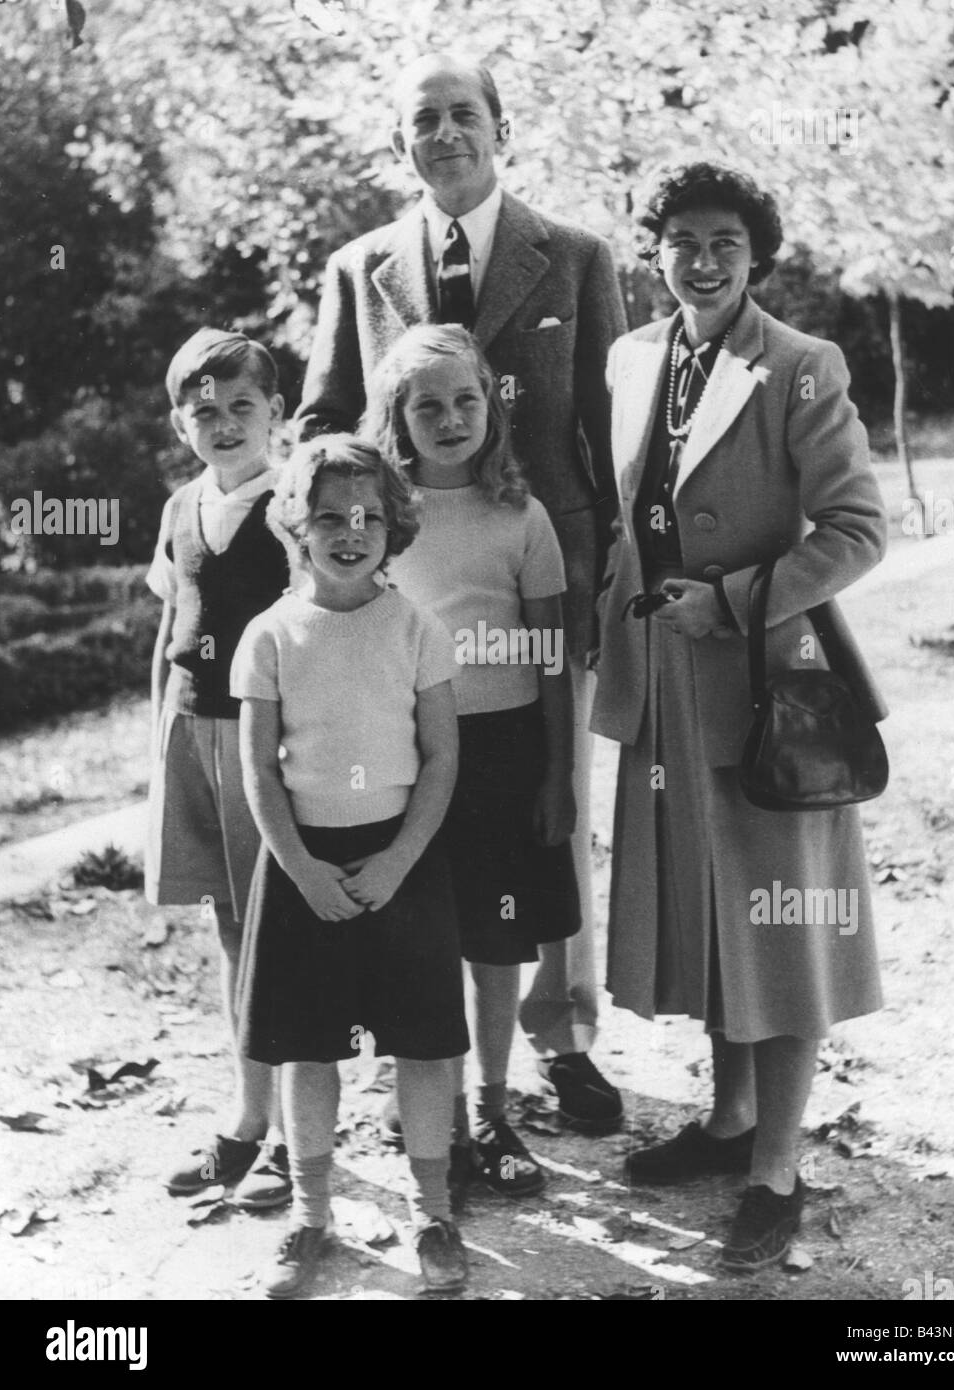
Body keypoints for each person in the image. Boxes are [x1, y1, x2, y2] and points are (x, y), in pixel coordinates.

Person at [296, 53, 626, 1129]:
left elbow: (610, 433)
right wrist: (332, 540)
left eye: (463, 114)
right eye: (423, 120)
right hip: (402, 606)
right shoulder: (358, 269)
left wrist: (615, 578)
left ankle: (561, 1036)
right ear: (402, 143)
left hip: (536, 585)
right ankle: (427, 1036)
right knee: (413, 810)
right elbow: (318, 420)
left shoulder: (573, 259)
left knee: (545, 810)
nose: (444, 133)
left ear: (499, 127)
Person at [592, 163, 887, 1271]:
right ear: (653, 250)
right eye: (680, 239)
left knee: (782, 924)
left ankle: (774, 1168)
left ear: (754, 254)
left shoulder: (800, 365)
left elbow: (855, 530)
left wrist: (727, 601)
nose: (701, 259)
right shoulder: (631, 358)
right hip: (663, 680)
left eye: (723, 241)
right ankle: (725, 1123)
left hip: (770, 686)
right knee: (711, 918)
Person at [231, 435, 470, 1297]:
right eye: (328, 516)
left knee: (422, 1043)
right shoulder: (269, 636)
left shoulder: (417, 628)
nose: (349, 531)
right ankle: (310, 1215)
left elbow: (441, 759)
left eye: (368, 515)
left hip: (401, 860)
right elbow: (258, 770)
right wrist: (300, 867)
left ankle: (434, 1213)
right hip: (305, 867)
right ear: (295, 526)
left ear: (395, 524)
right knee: (306, 1046)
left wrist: (401, 858)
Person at [365, 323, 581, 1198]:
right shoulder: (378, 520)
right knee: (425, 939)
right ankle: (436, 1113)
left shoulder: (520, 518)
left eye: (466, 400)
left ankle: (493, 1107)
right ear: (397, 417)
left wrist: (558, 776)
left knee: (497, 941)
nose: (450, 418)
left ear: (492, 405)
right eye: (427, 406)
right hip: (411, 757)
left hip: (505, 754)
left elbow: (556, 660)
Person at [146, 327, 291, 1212]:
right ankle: (248, 1117)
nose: (226, 423)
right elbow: (172, 631)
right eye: (206, 412)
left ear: (276, 412)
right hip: (193, 732)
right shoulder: (179, 508)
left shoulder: (296, 503)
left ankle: (293, 1139)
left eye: (243, 407)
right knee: (232, 928)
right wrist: (160, 728)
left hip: (267, 746)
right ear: (180, 425)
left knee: (285, 935)